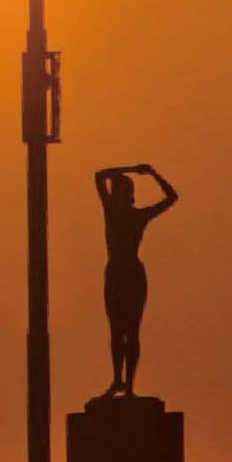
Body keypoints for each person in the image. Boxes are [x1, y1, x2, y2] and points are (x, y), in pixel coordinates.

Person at [93, 163, 178, 397]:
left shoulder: (131, 214)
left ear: (126, 194)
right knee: (117, 330)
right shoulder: (117, 212)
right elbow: (99, 176)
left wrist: (149, 172)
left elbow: (172, 197)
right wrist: (143, 170)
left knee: (130, 330)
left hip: (129, 272)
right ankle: (119, 380)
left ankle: (127, 384)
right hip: (118, 272)